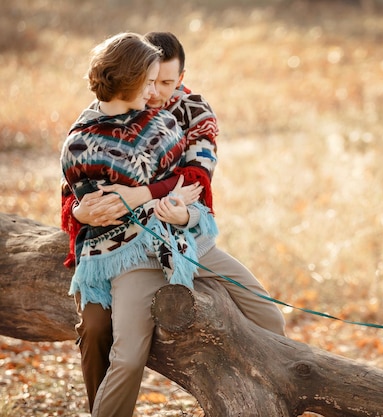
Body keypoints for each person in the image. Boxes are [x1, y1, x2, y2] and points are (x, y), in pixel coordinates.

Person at [61, 32, 285, 416]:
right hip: (130, 255)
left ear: (181, 78)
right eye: (151, 81)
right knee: (118, 346)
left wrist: (160, 201)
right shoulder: (85, 139)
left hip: (186, 242)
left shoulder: (179, 117)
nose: (155, 90)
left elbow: (194, 181)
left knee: (270, 315)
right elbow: (90, 202)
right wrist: (85, 211)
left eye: (165, 82)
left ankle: (272, 394)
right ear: (132, 77)